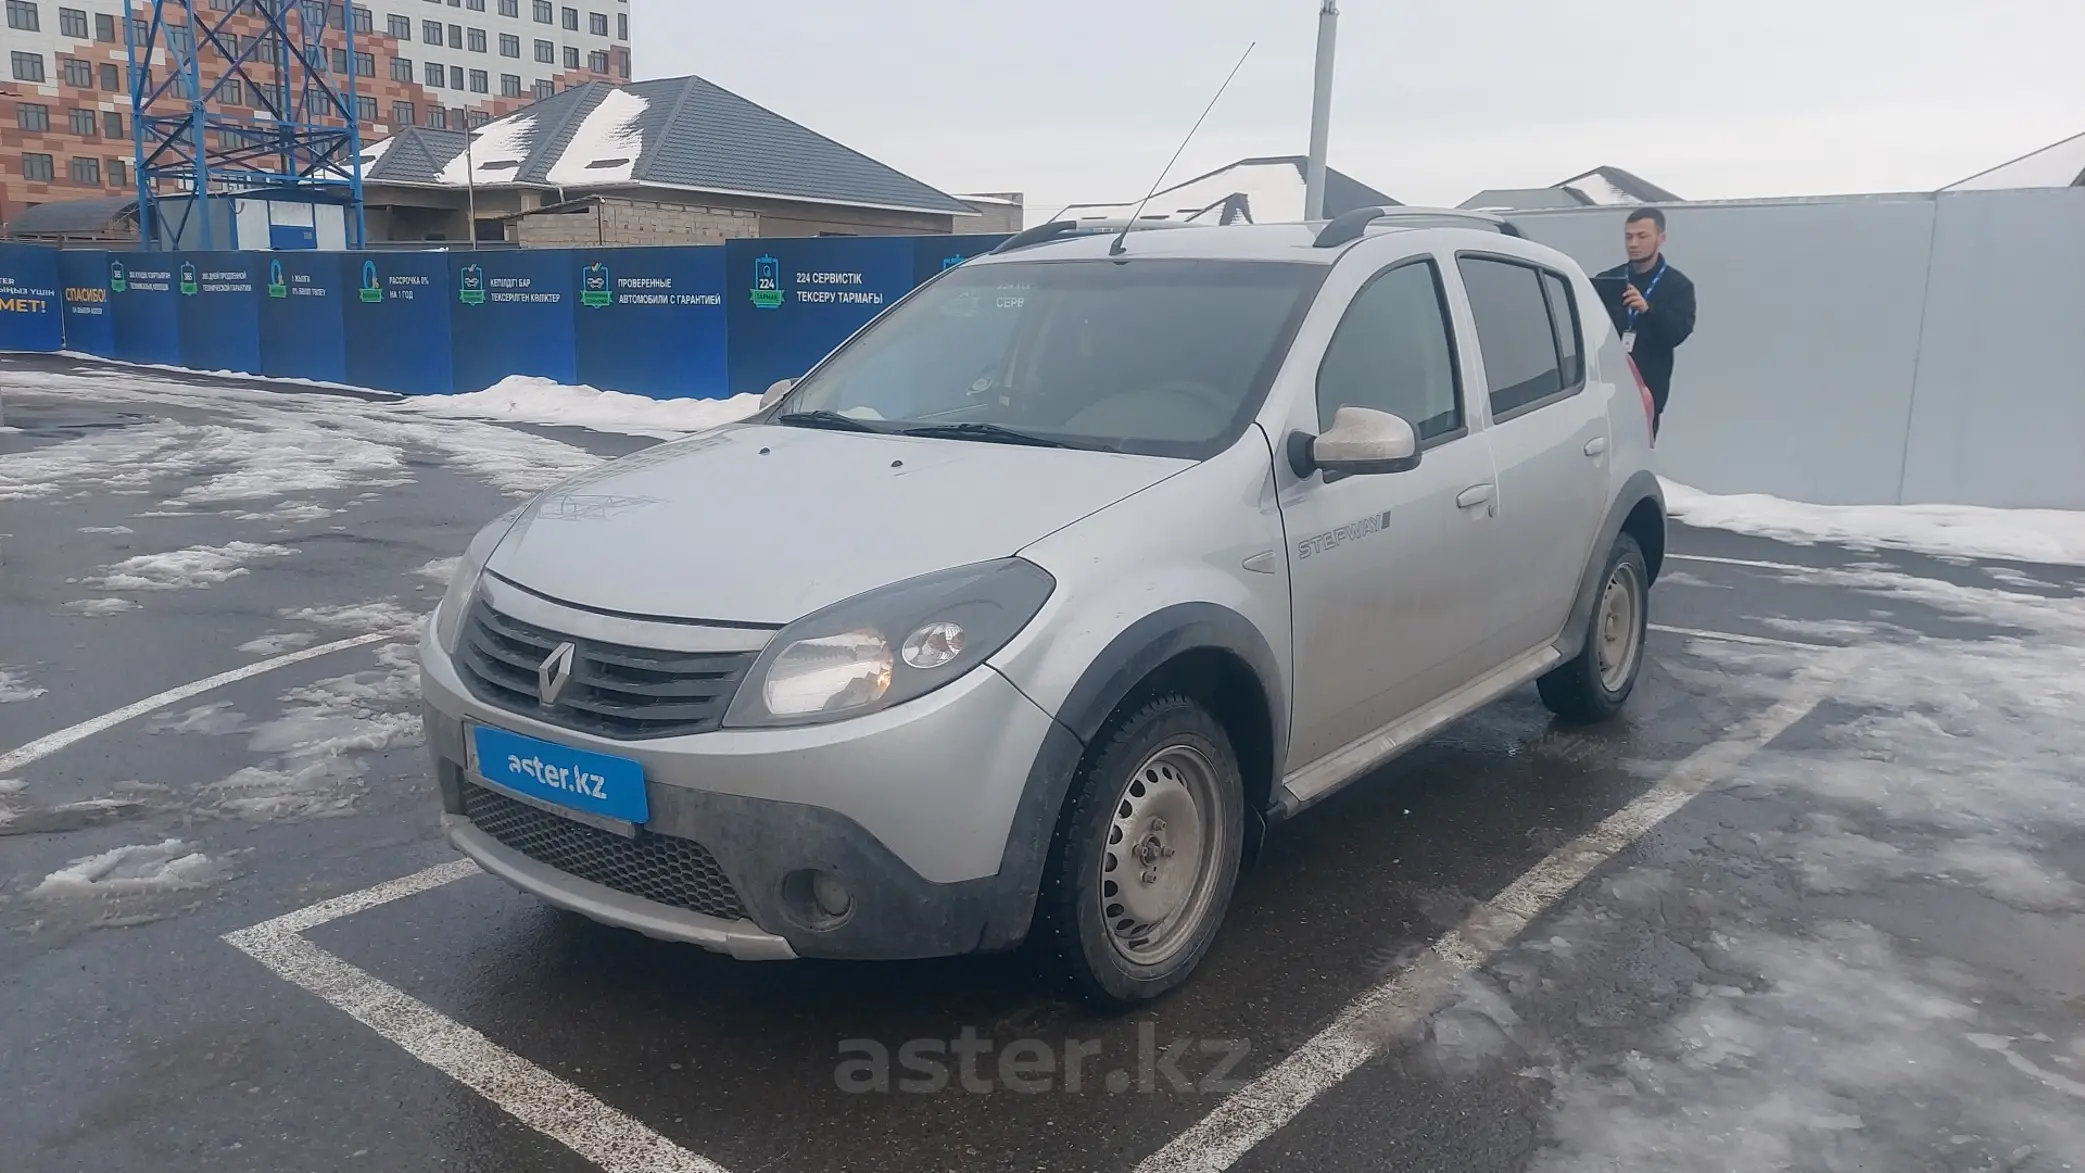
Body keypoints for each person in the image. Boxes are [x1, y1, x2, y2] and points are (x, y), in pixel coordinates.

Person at [1595, 207, 1696, 436]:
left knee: (1639, 450)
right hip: (1608, 386)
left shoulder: (1678, 286)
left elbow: (1678, 333)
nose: (1633, 243)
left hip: (1648, 388)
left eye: (1642, 236)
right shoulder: (1608, 280)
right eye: (1628, 236)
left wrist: (1648, 309)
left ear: (1661, 238)